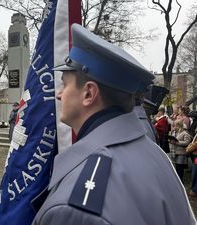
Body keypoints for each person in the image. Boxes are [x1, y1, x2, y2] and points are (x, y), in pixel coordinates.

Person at [32, 24, 195, 225]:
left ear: (89, 94)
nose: (58, 94)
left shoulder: (73, 210)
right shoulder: (156, 155)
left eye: (65, 85)